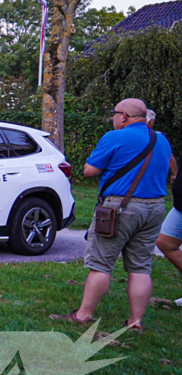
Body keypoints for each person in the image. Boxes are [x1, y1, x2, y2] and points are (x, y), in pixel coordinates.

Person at [52, 98, 172, 332]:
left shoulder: (114, 137)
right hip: (155, 207)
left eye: (114, 114)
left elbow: (89, 171)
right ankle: (135, 322)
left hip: (120, 208)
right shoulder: (161, 140)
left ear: (124, 117)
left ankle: (83, 315)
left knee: (101, 264)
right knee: (140, 266)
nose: (112, 118)